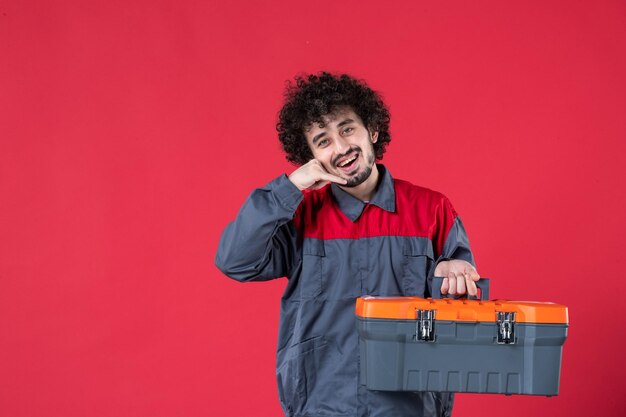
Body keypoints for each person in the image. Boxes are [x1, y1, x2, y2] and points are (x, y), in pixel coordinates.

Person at [215, 72, 480, 417]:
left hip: (409, 406)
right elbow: (235, 260)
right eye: (322, 141)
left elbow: (461, 314)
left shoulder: (432, 209)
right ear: (310, 156)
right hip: (320, 405)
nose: (340, 148)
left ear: (371, 130)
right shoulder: (299, 215)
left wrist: (454, 278)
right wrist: (290, 186)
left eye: (346, 129)